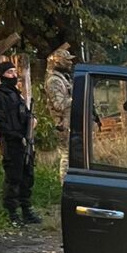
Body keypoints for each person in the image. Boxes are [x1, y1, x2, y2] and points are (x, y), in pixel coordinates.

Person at [0, 61, 42, 226]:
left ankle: (26, 211)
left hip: (24, 143)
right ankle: (12, 214)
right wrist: (16, 136)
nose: (14, 75)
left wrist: (31, 121)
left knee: (27, 177)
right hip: (12, 144)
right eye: (9, 72)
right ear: (2, 75)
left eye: (14, 71)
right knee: (13, 179)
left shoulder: (16, 94)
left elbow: (25, 115)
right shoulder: (0, 96)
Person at [45, 44, 74, 179]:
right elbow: (59, 105)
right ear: (59, 61)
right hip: (62, 124)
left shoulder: (63, 78)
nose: (70, 63)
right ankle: (64, 184)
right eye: (67, 60)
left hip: (68, 123)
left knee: (71, 155)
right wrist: (76, 100)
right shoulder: (54, 81)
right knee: (66, 155)